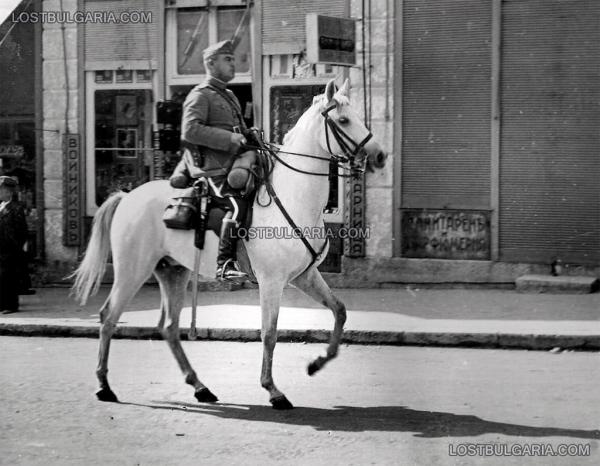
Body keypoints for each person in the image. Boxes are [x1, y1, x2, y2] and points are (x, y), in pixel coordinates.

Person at [169, 40, 254, 281]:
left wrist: (250, 135)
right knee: (236, 206)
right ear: (210, 63)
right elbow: (190, 131)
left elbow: (240, 129)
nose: (233, 64)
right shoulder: (200, 95)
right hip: (211, 170)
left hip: (232, 165)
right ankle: (224, 263)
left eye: (233, 59)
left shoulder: (229, 95)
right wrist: (230, 138)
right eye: (227, 59)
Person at [0, 176, 28, 314]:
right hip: (1, 248)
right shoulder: (1, 206)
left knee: (9, 277)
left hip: (10, 248)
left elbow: (22, 230)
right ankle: (2, 303)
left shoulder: (16, 208)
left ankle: (11, 305)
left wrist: (16, 247)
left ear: (8, 192)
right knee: (2, 277)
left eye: (1, 190)